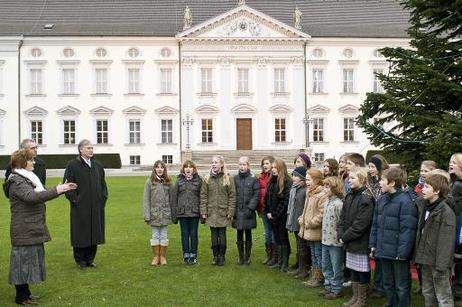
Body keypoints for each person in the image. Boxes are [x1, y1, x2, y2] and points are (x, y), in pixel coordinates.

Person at [4, 149, 77, 305]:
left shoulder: (26, 179)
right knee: (21, 262)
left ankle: (26, 294)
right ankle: (20, 297)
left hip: (30, 226)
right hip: (24, 228)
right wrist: (58, 190)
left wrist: (57, 190)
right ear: (22, 162)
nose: (34, 162)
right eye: (31, 160)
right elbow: (32, 197)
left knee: (28, 261)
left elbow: (39, 193)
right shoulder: (17, 181)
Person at [369, 167, 418, 307]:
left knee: (401, 286)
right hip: (383, 250)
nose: (379, 182)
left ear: (391, 183)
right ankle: (391, 303)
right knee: (388, 283)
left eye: (382, 180)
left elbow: (407, 230)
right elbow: (375, 224)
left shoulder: (406, 201)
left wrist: (403, 253)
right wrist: (373, 244)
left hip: (398, 253)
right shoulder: (382, 199)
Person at [63, 139, 108, 269]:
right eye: (88, 148)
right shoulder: (72, 165)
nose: (91, 150)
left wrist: (102, 199)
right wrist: (76, 200)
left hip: (96, 206)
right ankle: (80, 261)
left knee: (94, 232)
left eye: (92, 148)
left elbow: (103, 185)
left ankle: (90, 259)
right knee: (80, 233)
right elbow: (67, 186)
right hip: (80, 207)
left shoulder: (97, 165)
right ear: (81, 150)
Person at [414, 172, 456, 306]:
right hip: (425, 259)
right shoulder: (423, 206)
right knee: (428, 292)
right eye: (423, 186)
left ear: (437, 191)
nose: (422, 189)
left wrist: (441, 265)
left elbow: (446, 242)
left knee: (443, 295)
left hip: (439, 262)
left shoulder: (446, 212)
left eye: (427, 187)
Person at [338, 167, 375, 307]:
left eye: (353, 178)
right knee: (353, 270)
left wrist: (344, 237)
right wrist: (341, 233)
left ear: (362, 179)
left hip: (360, 242)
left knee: (362, 271)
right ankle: (355, 297)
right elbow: (342, 218)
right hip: (349, 241)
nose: (349, 180)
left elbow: (361, 224)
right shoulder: (350, 195)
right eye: (349, 177)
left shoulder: (366, 198)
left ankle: (362, 299)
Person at [200, 155, 236, 266]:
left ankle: (222, 256)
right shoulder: (207, 178)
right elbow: (203, 196)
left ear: (221, 164)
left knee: (222, 235)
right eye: (212, 162)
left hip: (223, 212)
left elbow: (232, 196)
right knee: (214, 237)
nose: (214, 164)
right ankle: (215, 256)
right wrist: (203, 211)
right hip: (211, 212)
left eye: (216, 162)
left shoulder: (228, 178)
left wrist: (230, 211)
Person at [299, 168, 328, 287]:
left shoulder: (322, 195)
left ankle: (319, 277)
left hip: (316, 231)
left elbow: (321, 214)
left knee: (318, 254)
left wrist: (310, 222)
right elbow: (306, 210)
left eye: (309, 180)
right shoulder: (310, 192)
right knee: (313, 254)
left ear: (316, 180)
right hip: (309, 230)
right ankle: (314, 276)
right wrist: (301, 219)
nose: (306, 182)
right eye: (306, 180)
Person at [366, 154, 389, 300]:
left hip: (383, 222)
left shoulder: (384, 182)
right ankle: (378, 285)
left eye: (372, 167)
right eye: (369, 166)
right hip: (373, 220)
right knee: (376, 256)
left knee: (381, 258)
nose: (370, 170)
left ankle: (382, 287)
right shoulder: (372, 181)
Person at [171, 160, 202, 265]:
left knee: (193, 234)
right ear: (183, 169)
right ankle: (186, 254)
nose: (188, 169)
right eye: (186, 167)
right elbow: (174, 197)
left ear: (194, 169)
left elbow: (202, 197)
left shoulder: (198, 181)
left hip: (194, 212)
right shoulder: (179, 180)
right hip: (182, 213)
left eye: (190, 167)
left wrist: (202, 213)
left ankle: (193, 254)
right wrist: (174, 214)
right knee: (184, 234)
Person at [264, 158, 292, 272]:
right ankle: (280, 261)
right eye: (273, 167)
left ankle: (284, 263)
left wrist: (275, 214)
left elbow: (285, 201)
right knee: (277, 238)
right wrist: (268, 211)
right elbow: (267, 198)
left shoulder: (286, 181)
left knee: (283, 238)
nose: (273, 169)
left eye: (276, 167)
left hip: (281, 216)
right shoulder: (272, 180)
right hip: (272, 216)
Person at [320, 176, 345, 299]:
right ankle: (328, 286)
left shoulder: (338, 204)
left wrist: (340, 237)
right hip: (325, 240)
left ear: (334, 188)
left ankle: (336, 289)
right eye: (324, 186)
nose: (324, 189)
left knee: (336, 266)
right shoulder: (327, 202)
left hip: (335, 242)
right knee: (326, 265)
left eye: (327, 186)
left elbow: (341, 222)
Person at [144, 160, 172, 266]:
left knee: (164, 234)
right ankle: (156, 256)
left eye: (162, 167)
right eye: (157, 167)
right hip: (154, 213)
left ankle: (162, 256)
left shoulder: (168, 182)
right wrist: (147, 215)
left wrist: (172, 213)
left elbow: (171, 199)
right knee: (155, 235)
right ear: (154, 169)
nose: (160, 169)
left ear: (164, 169)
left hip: (165, 213)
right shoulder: (149, 182)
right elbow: (146, 200)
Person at [233, 157, 260, 265]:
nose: (242, 167)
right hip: (238, 211)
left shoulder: (253, 179)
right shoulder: (235, 179)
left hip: (248, 211)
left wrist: (250, 208)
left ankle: (247, 257)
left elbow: (256, 194)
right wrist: (234, 209)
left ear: (248, 166)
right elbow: (232, 194)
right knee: (239, 233)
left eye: (244, 165)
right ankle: (241, 257)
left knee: (248, 233)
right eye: (240, 165)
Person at [286, 166, 309, 279]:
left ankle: (304, 269)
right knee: (299, 246)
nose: (293, 178)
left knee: (302, 247)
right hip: (295, 221)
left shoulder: (305, 190)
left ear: (302, 178)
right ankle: (300, 268)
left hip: (301, 222)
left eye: (296, 176)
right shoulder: (294, 188)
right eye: (293, 175)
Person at [257, 156, 276, 265]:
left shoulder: (275, 177)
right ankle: (269, 255)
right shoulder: (260, 178)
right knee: (267, 233)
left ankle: (275, 256)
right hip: (264, 209)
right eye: (264, 163)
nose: (265, 165)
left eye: (267, 163)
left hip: (273, 210)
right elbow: (259, 194)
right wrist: (259, 209)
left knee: (273, 233)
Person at [450, 154, 462, 303]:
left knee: (459, 256)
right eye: (450, 162)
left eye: (454, 162)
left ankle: (458, 289)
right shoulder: (453, 182)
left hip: (459, 222)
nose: (451, 164)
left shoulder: (458, 184)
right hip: (454, 220)